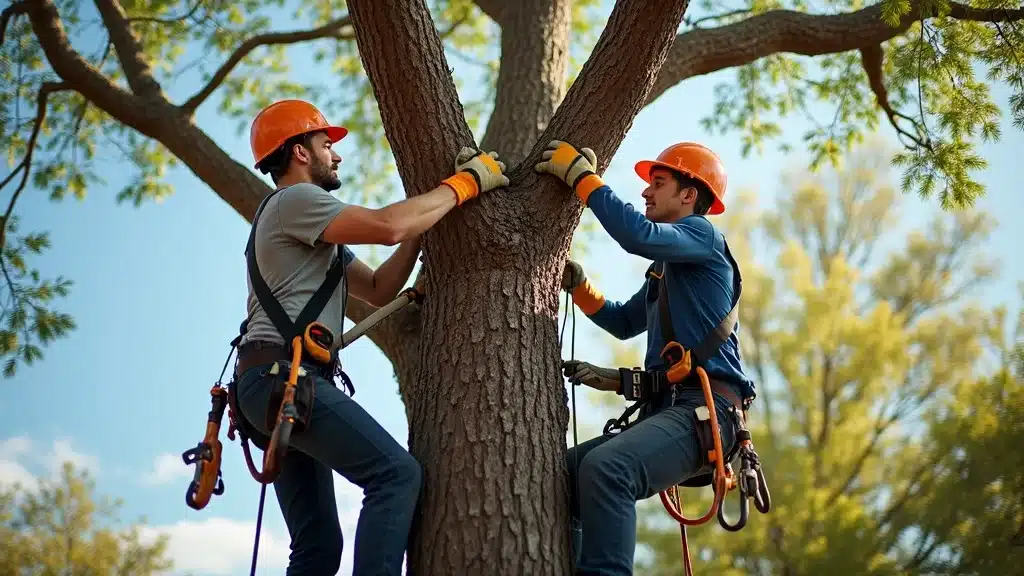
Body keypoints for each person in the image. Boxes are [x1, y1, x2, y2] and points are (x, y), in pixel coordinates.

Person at [231, 99, 509, 575]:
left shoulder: (313, 234)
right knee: (396, 476)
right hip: (285, 382)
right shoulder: (295, 202)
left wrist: (427, 224)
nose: (336, 156)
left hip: (272, 385)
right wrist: (465, 185)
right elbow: (386, 227)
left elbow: (381, 289)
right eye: (326, 145)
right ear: (299, 152)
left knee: (317, 548)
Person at [534, 140, 755, 575]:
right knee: (564, 476)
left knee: (606, 469)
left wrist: (582, 178)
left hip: (706, 413)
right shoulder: (665, 269)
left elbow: (636, 235)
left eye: (658, 182)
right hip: (670, 410)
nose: (645, 193)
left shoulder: (704, 236)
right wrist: (582, 290)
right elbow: (622, 321)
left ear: (689, 195)